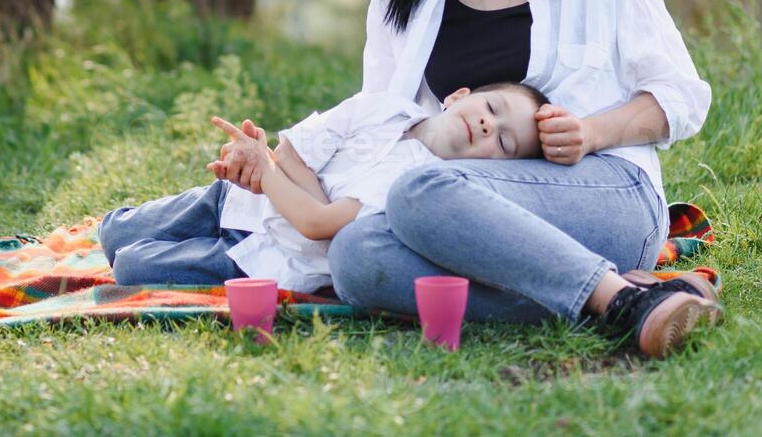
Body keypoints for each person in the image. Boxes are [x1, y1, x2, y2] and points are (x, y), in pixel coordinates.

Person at [211, 0, 723, 359]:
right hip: (452, 203)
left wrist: (593, 132)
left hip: (604, 191)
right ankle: (625, 296)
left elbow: (682, 98)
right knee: (355, 256)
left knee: (418, 188)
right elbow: (384, 129)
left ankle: (622, 301)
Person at [98, 81, 548, 293]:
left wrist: (269, 172)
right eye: (492, 106)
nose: (490, 125)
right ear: (458, 96)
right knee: (113, 234)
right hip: (239, 202)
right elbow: (293, 152)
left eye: (505, 142)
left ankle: (179, 249)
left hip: (266, 260)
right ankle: (159, 228)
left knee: (130, 266)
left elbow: (318, 225)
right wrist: (262, 167)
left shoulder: (422, 185)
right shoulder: (383, 108)